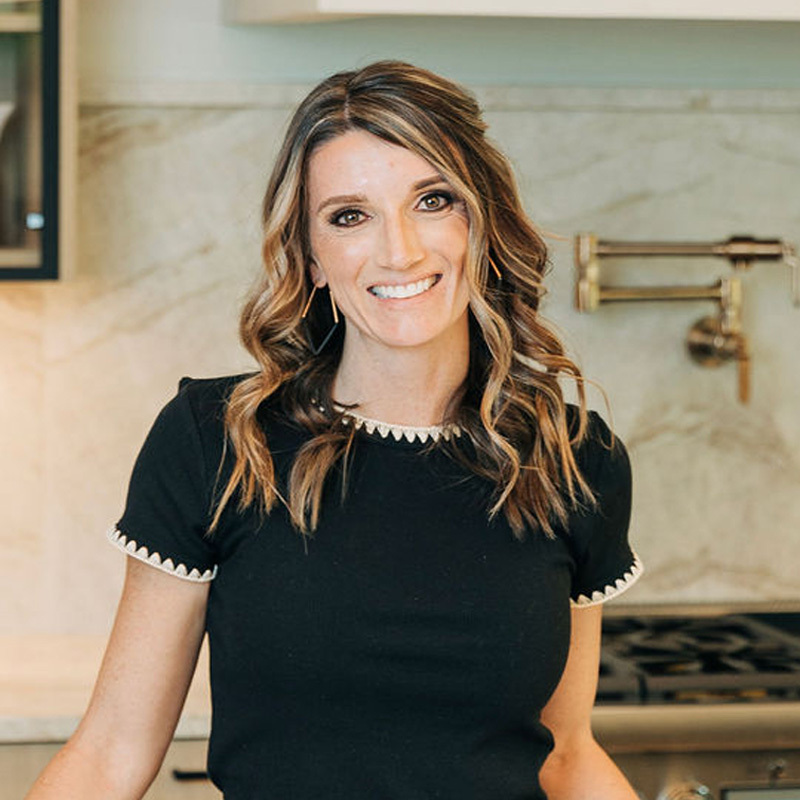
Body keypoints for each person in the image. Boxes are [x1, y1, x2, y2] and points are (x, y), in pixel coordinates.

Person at [27, 60, 643, 800]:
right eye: (350, 215)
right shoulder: (221, 441)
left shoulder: (572, 457)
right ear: (313, 256)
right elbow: (112, 753)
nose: (400, 251)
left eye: (433, 200)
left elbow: (566, 754)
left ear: (482, 224)